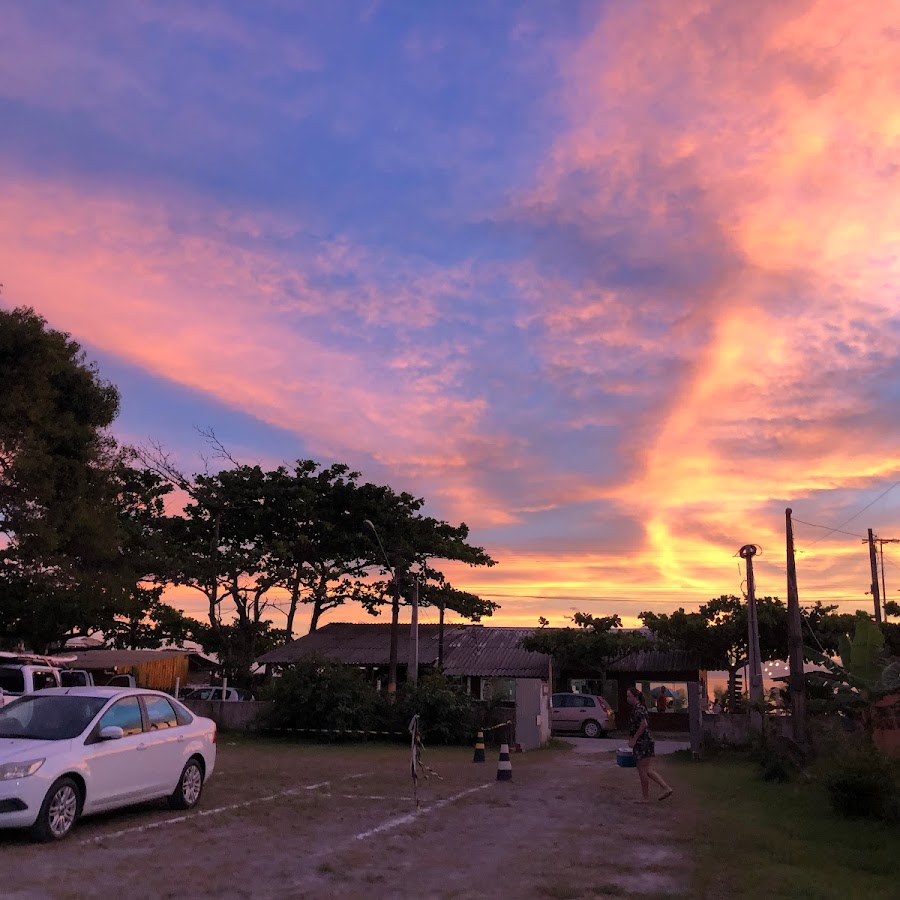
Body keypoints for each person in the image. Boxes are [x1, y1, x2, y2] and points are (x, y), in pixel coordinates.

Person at [627, 686, 673, 802]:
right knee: (646, 769)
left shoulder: (639, 709)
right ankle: (665, 788)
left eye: (629, 696)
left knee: (642, 769)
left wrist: (635, 738)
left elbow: (644, 724)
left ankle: (646, 797)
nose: (627, 698)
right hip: (644, 741)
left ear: (635, 697)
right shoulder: (638, 708)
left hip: (643, 742)